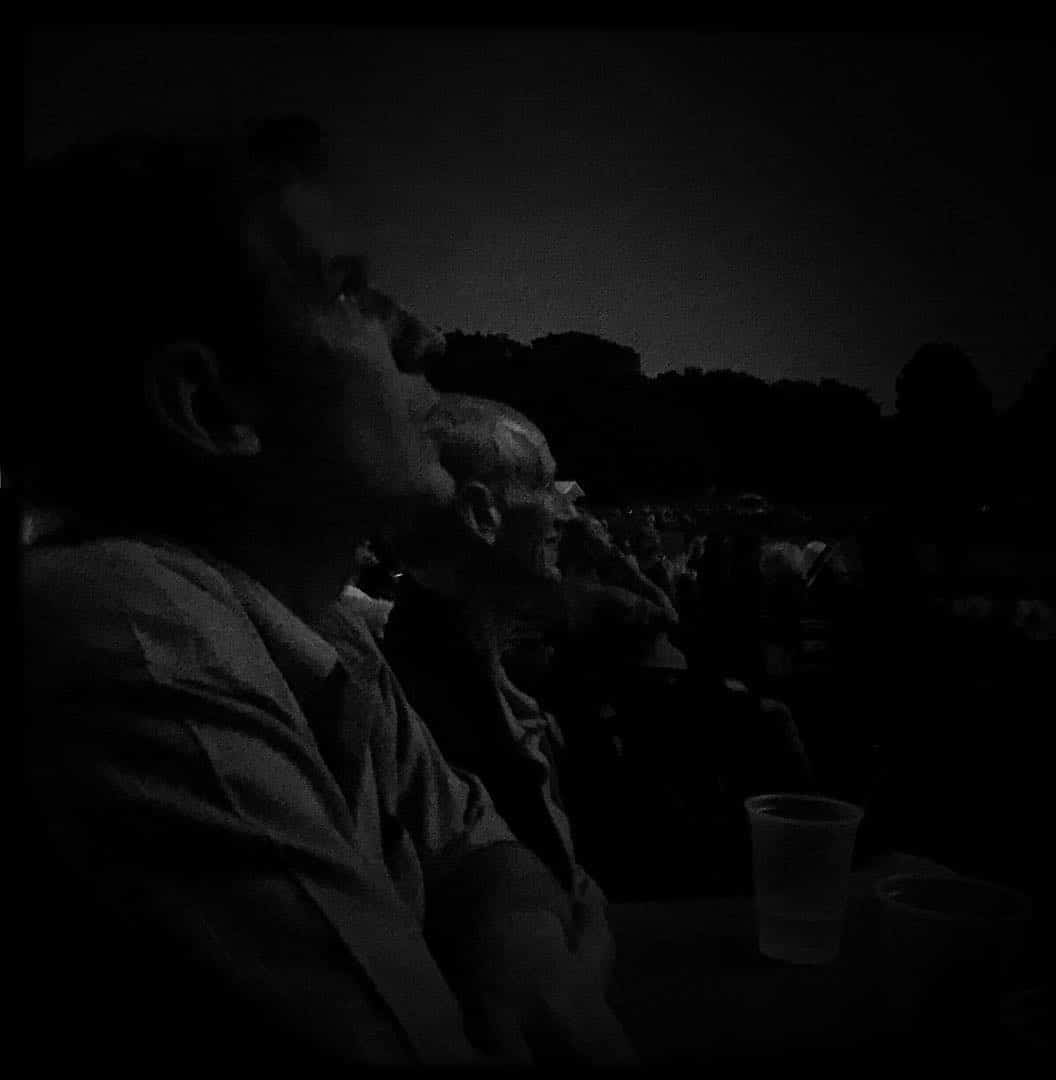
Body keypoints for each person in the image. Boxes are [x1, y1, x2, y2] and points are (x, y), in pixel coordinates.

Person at [17, 118, 635, 1067]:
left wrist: (518, 947)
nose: (424, 336)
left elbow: (481, 847)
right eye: (350, 291)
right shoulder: (135, 643)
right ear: (214, 409)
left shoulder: (324, 633)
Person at [368, 394, 611, 937]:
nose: (566, 510)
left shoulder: (470, 669)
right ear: (483, 514)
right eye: (543, 486)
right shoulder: (430, 711)